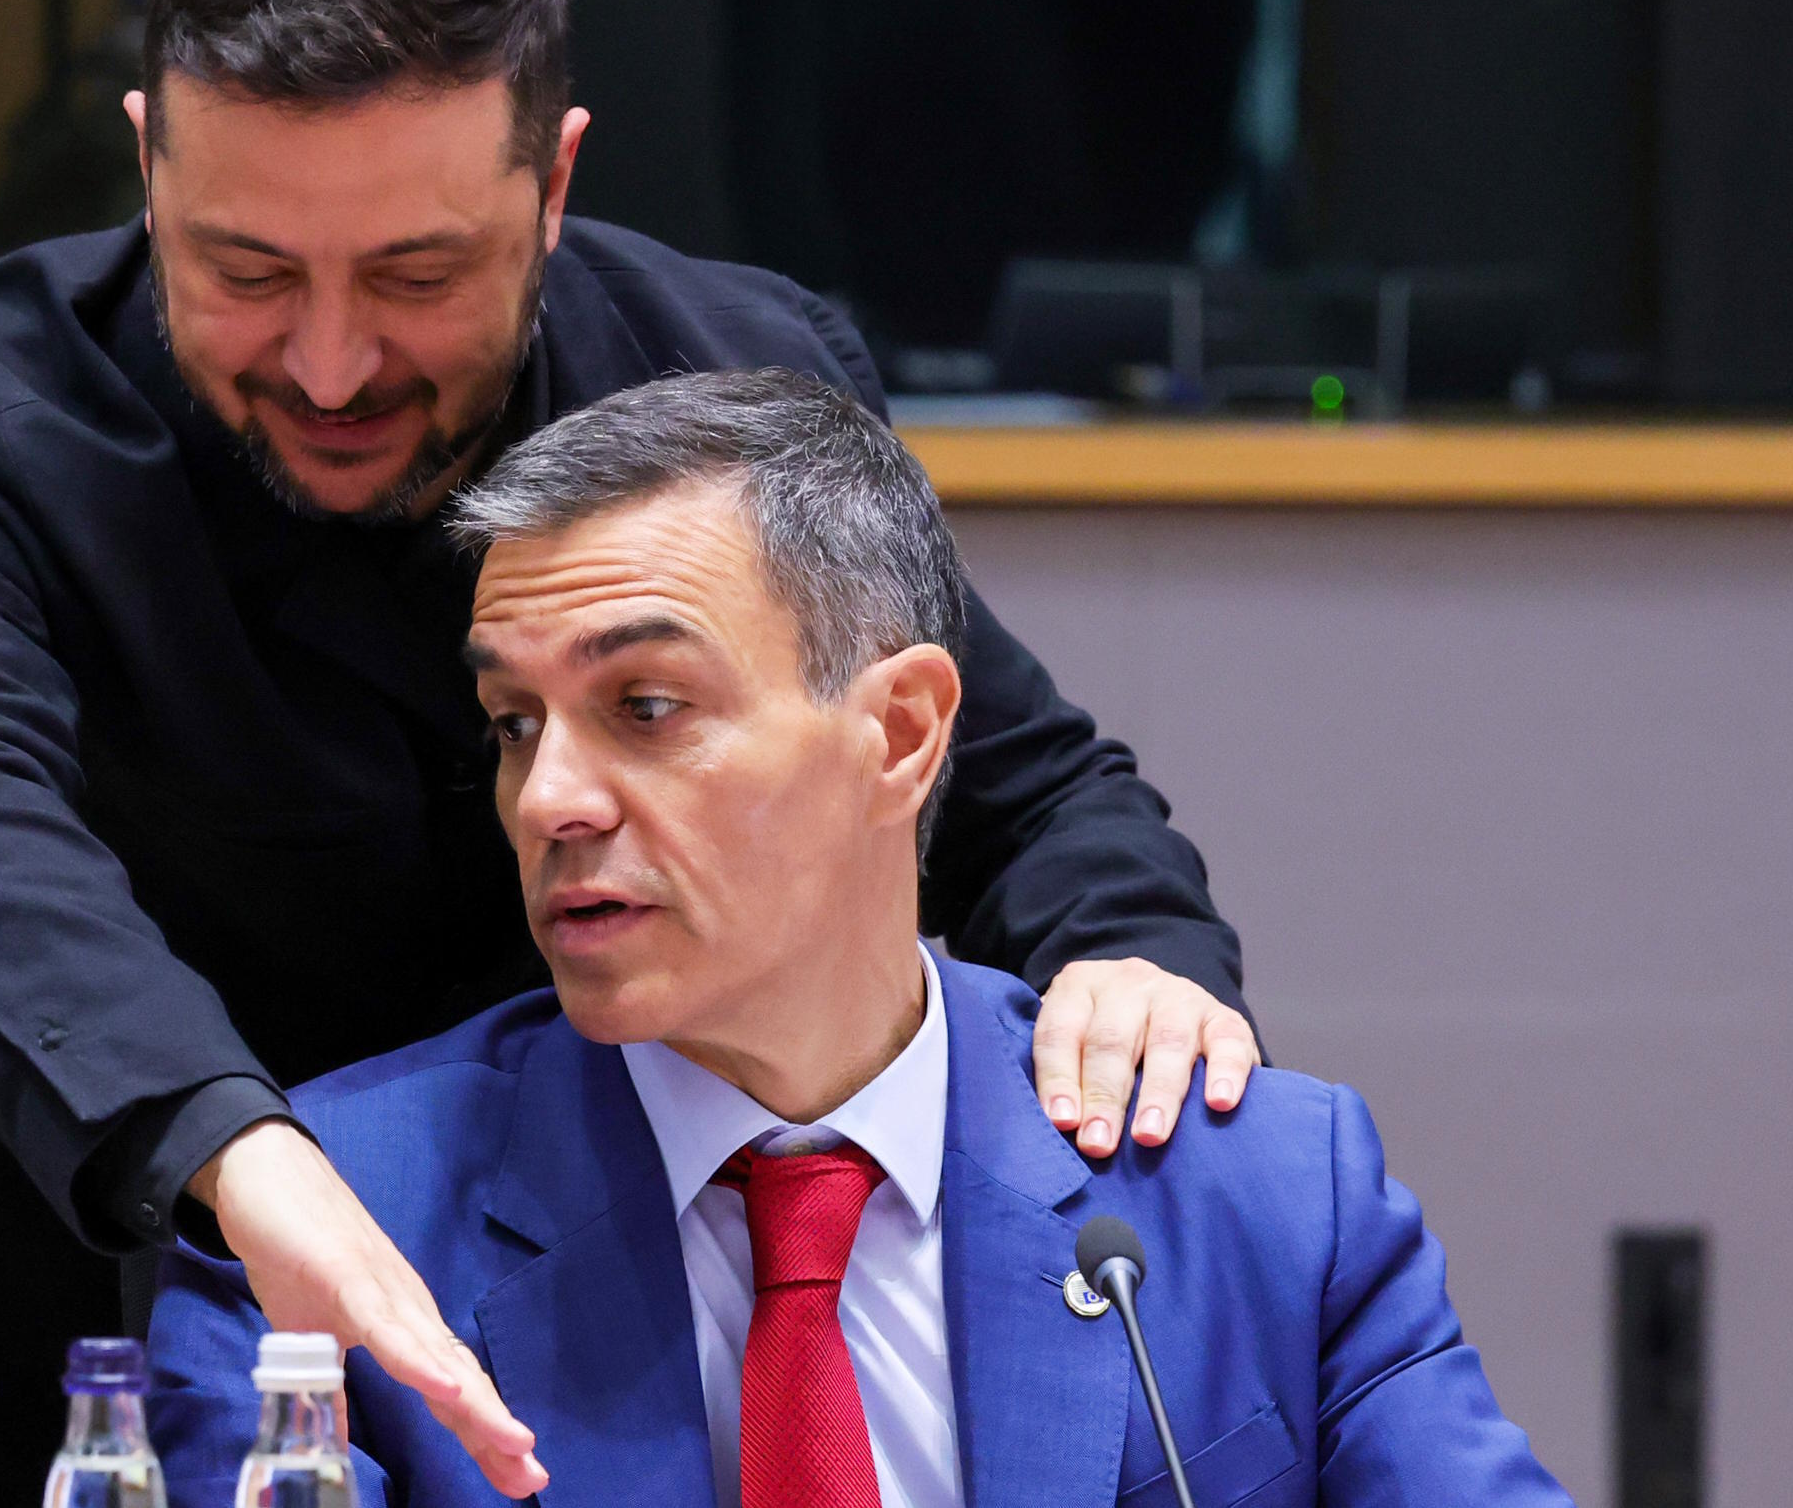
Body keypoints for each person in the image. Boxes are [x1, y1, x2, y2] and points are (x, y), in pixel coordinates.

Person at [0, 0, 1259, 1508]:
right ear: (149, 164)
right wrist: (239, 1149)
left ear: (557, 180)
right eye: (246, 271)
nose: (335, 360)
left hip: (470, 1394)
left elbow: (1008, 780)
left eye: (419, 274)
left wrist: (1135, 959)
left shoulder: (727, 375)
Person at [145, 370, 1571, 1508]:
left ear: (898, 731)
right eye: (516, 725)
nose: (551, 800)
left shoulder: (1255, 1197)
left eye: (646, 708)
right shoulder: (338, 1224)